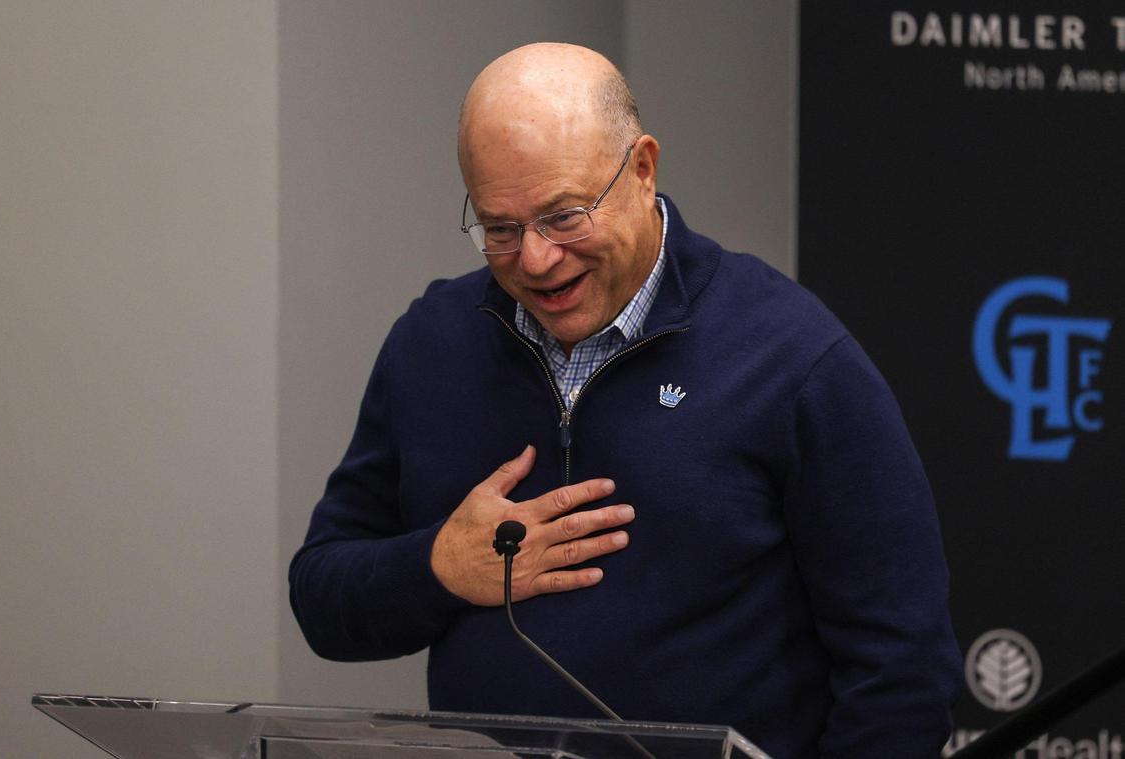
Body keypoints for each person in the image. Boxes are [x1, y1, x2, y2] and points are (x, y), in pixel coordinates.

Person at [289, 43, 962, 758]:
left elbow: (903, 670)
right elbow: (322, 597)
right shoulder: (431, 345)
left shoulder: (792, 357)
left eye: (564, 216)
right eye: (501, 229)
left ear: (642, 170)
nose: (536, 259)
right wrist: (439, 567)